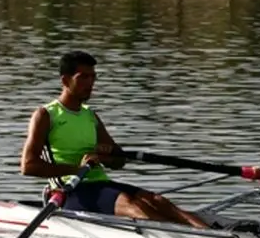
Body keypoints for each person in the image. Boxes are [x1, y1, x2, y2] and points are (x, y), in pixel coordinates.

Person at [20, 51, 209, 228]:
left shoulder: (90, 116)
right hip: (72, 191)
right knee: (132, 205)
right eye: (83, 77)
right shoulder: (46, 115)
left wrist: (105, 158)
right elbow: (28, 166)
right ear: (65, 80)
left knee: (158, 201)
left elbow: (120, 161)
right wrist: (77, 169)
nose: (90, 83)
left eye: (93, 77)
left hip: (101, 185)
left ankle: (211, 234)